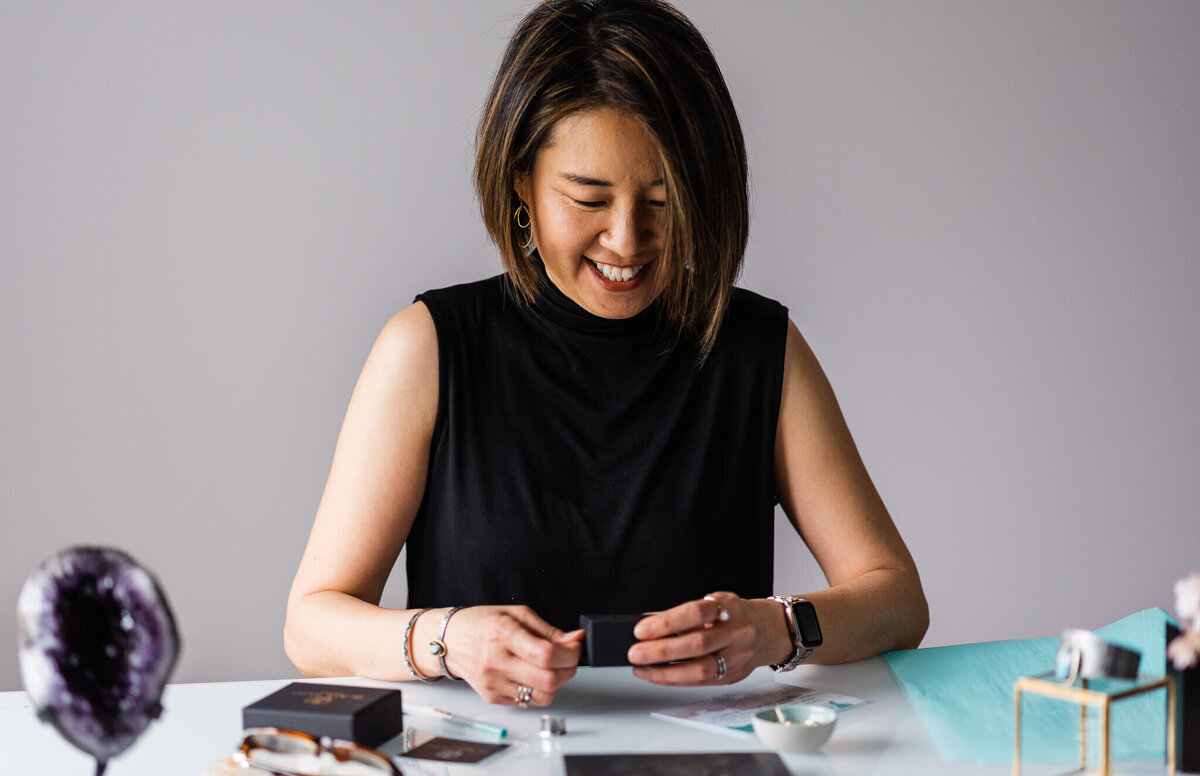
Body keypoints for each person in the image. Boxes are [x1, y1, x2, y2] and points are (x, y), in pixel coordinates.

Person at [284, 0, 928, 708]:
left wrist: (775, 628)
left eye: (662, 200)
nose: (627, 239)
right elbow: (310, 624)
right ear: (521, 183)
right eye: (589, 198)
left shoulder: (758, 348)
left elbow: (897, 601)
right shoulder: (428, 347)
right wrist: (447, 640)